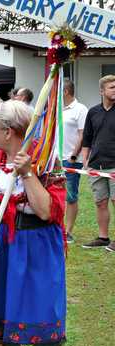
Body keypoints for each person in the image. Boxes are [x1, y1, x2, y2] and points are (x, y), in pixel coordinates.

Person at [0, 100, 66, 346]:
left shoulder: (45, 159)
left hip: (37, 250)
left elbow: (47, 211)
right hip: (3, 250)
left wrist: (27, 174)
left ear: (8, 131)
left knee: (44, 335)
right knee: (5, 333)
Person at [81, 75, 115, 251]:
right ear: (102, 91)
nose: (114, 90)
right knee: (100, 202)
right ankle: (103, 238)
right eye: (111, 87)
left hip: (114, 165)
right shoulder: (93, 112)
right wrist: (86, 160)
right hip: (96, 165)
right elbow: (87, 138)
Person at [61, 80, 88, 243]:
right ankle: (58, 227)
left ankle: (68, 231)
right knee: (55, 194)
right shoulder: (58, 110)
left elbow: (82, 134)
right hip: (56, 159)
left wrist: (73, 156)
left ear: (65, 92)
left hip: (70, 160)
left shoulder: (80, 109)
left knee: (70, 196)